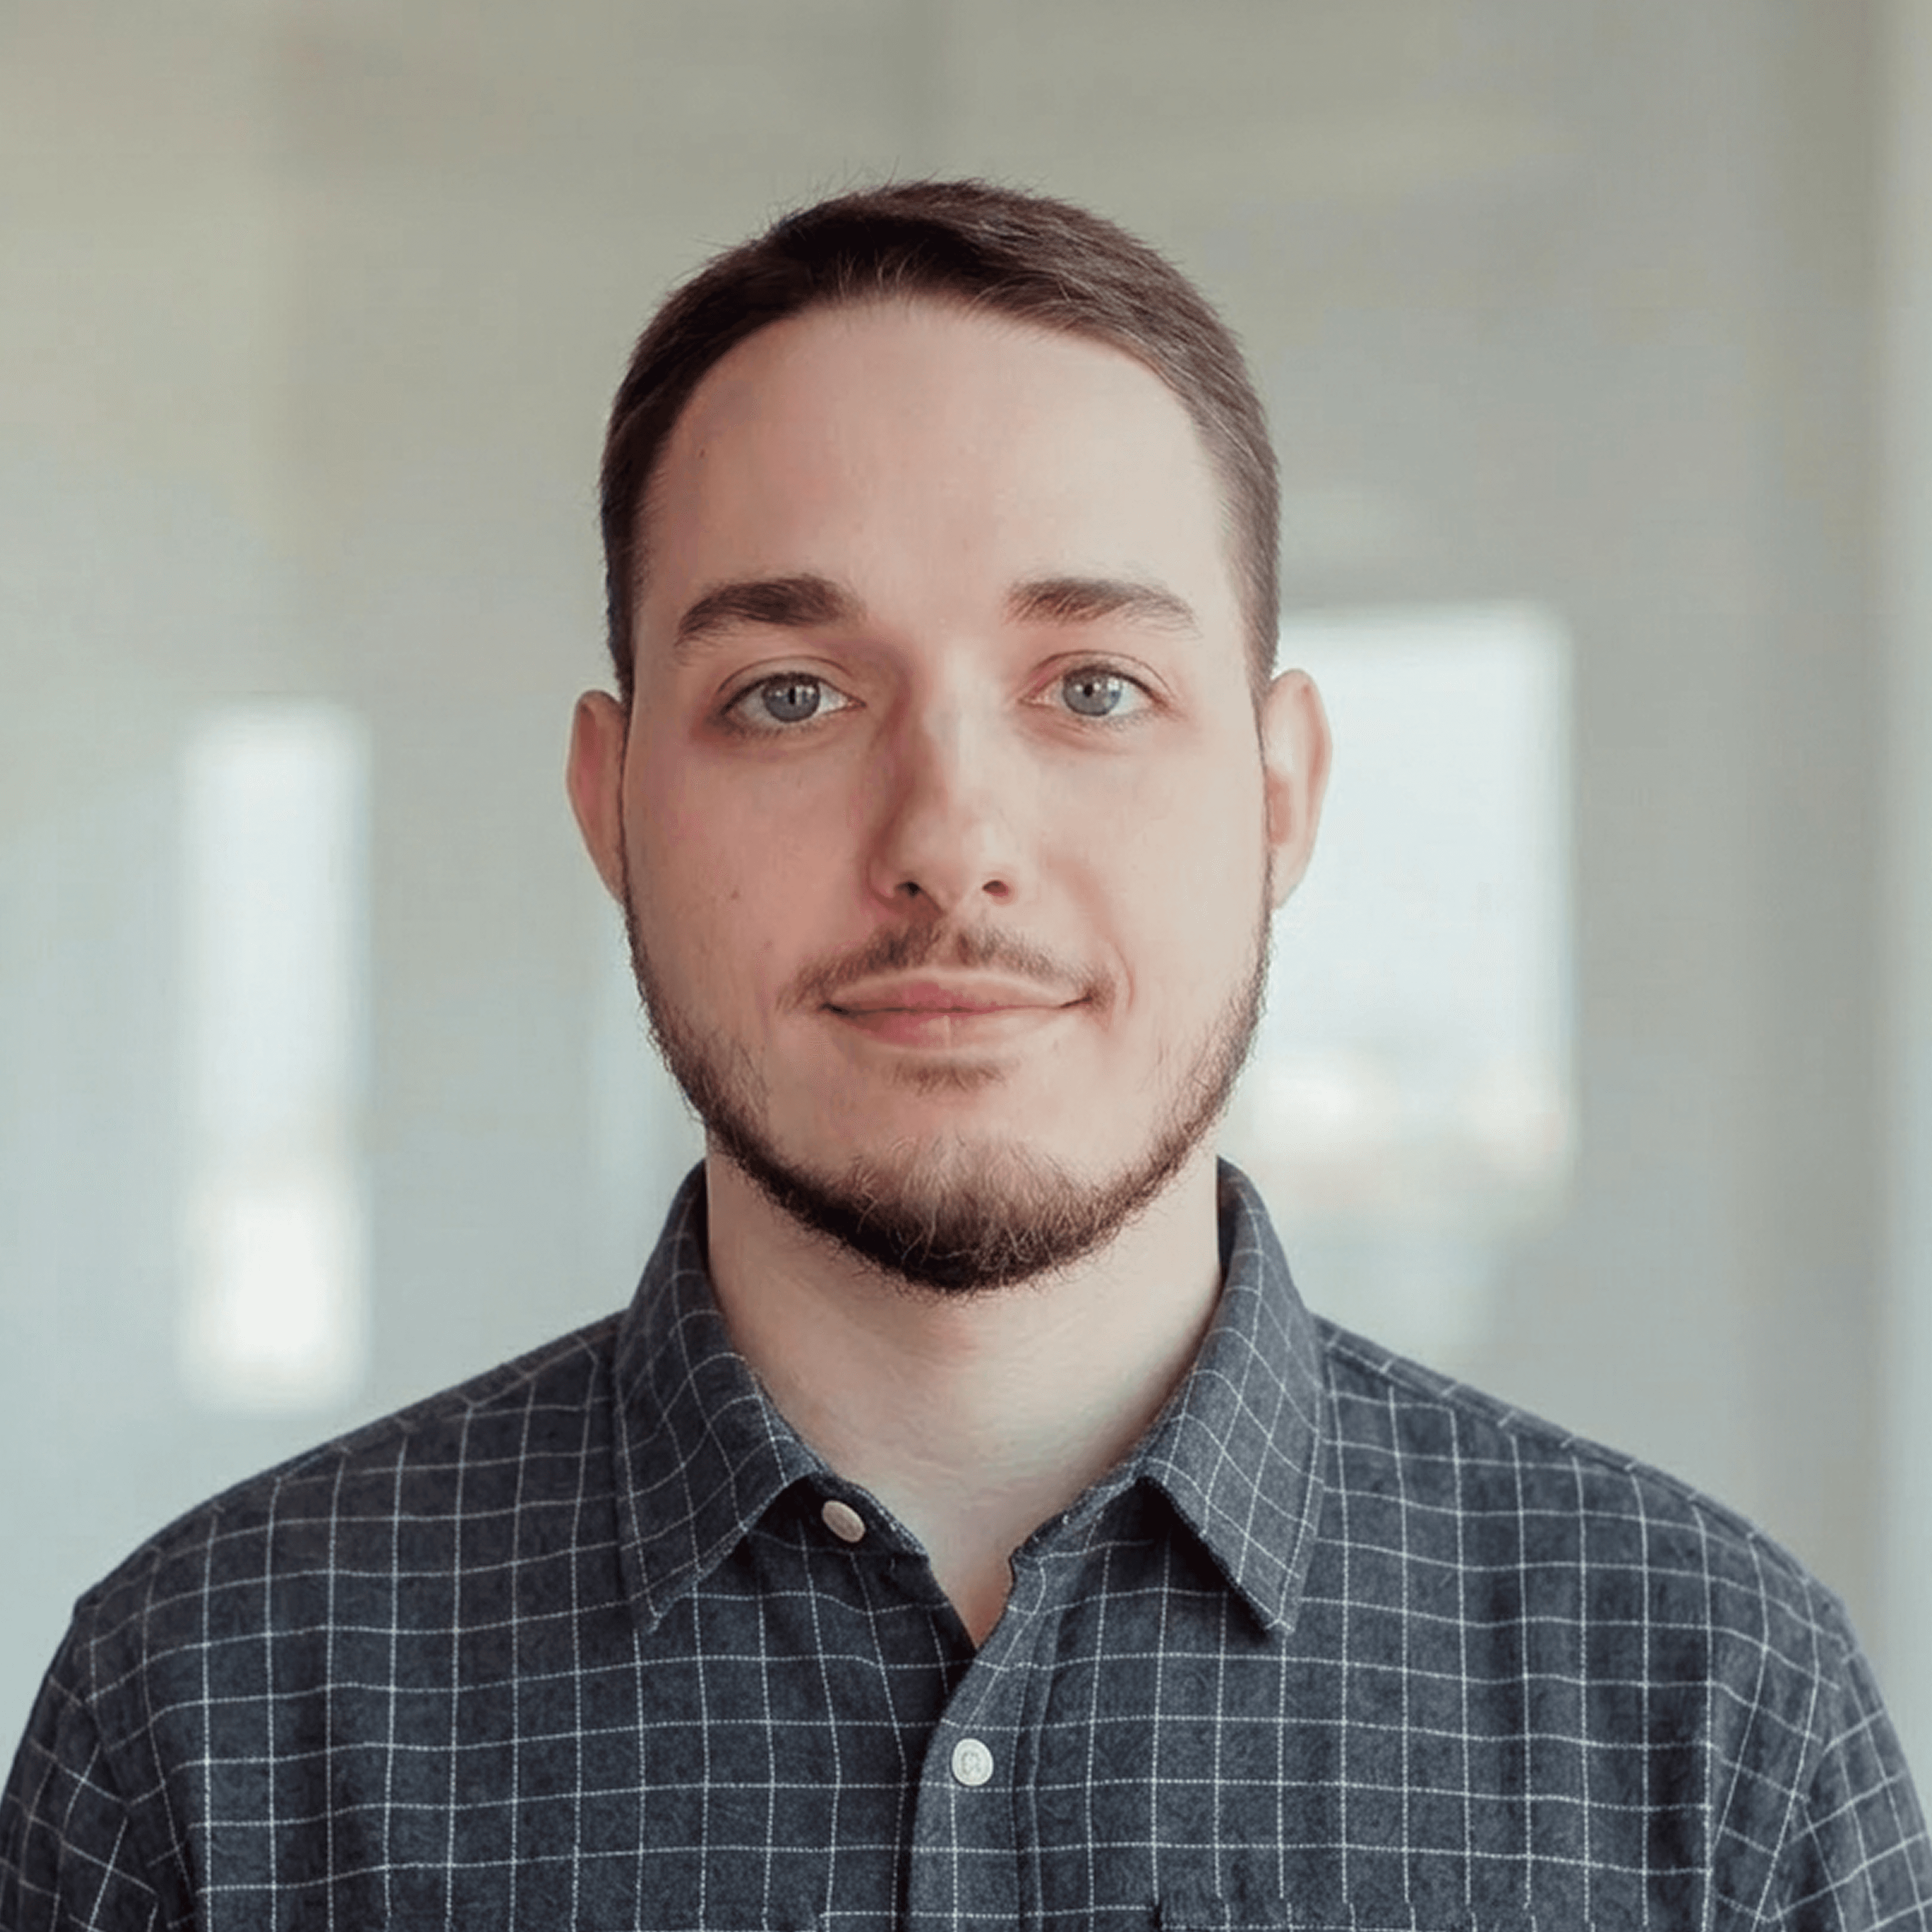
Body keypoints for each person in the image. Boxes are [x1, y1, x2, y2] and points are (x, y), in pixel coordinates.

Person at [3, 179, 1927, 1931]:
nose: (948, 835)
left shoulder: (1715, 1717)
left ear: (1281, 795)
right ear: (610, 807)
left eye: (1092, 687)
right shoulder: (209, 1719)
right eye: (789, 695)